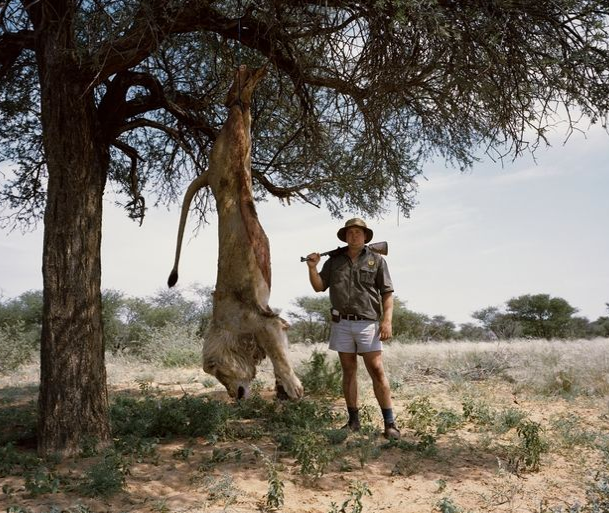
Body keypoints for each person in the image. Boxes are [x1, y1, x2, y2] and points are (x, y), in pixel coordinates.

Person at [305, 218, 400, 440]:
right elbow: (319, 286)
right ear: (345, 236)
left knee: (376, 369)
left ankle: (390, 423)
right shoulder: (334, 261)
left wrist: (387, 321)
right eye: (350, 232)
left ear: (366, 236)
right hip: (342, 323)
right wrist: (312, 268)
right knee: (348, 371)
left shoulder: (376, 260)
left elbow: (387, 293)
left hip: (368, 323)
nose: (354, 236)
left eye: (358, 232)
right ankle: (353, 421)